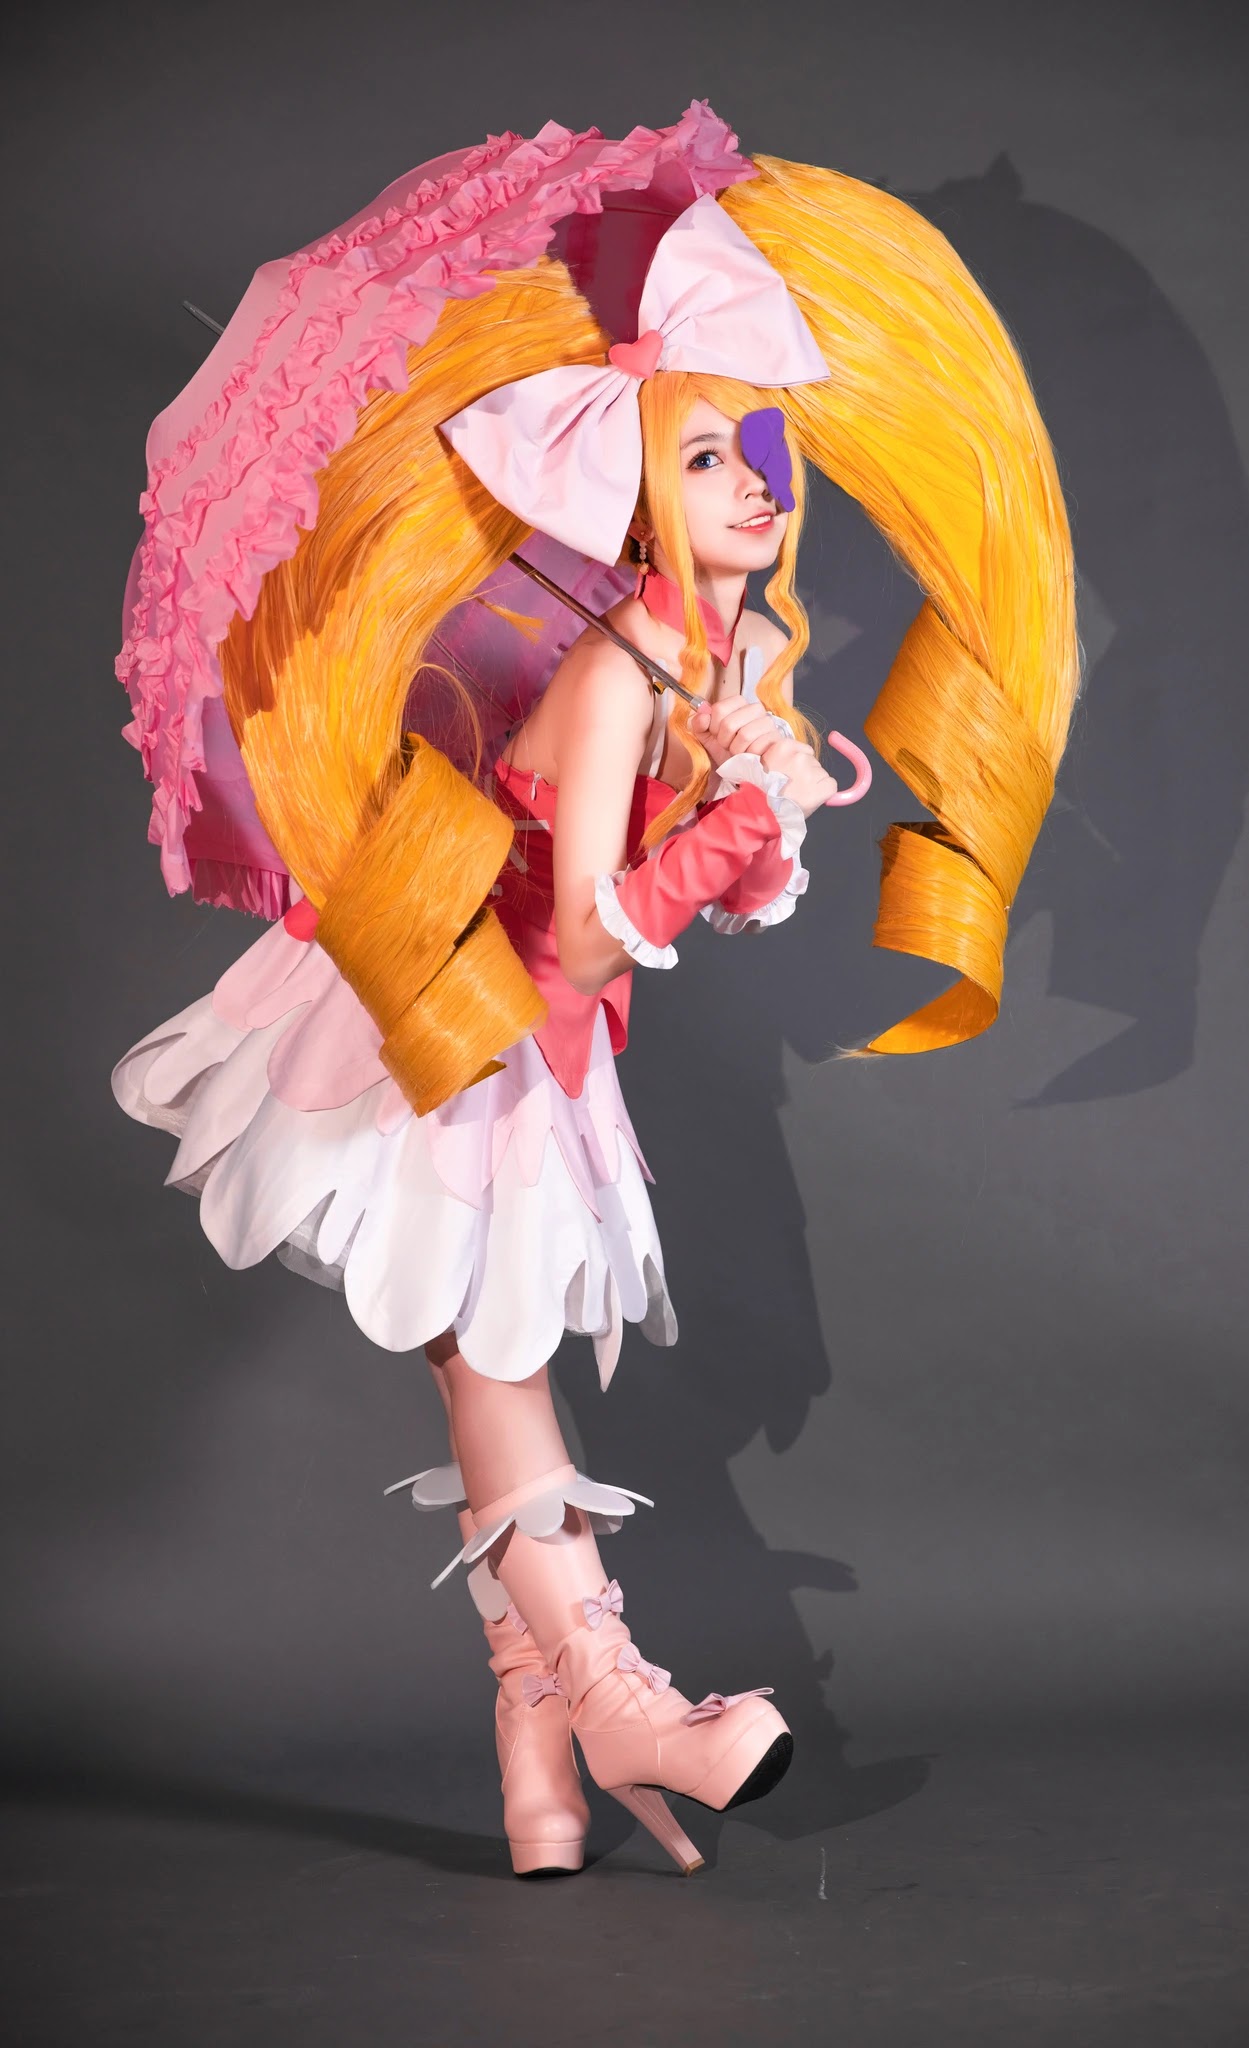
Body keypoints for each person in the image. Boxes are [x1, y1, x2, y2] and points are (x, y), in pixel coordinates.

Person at [112, 140, 1078, 1880]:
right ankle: (625, 1707)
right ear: (630, 484)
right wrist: (710, 852)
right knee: (498, 1369)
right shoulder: (616, 666)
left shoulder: (724, 664)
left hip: (536, 1050)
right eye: (703, 455)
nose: (755, 481)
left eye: (761, 446)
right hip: (455, 1014)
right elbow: (584, 932)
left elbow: (688, 900)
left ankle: (540, 1767)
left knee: (494, 1370)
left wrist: (753, 823)